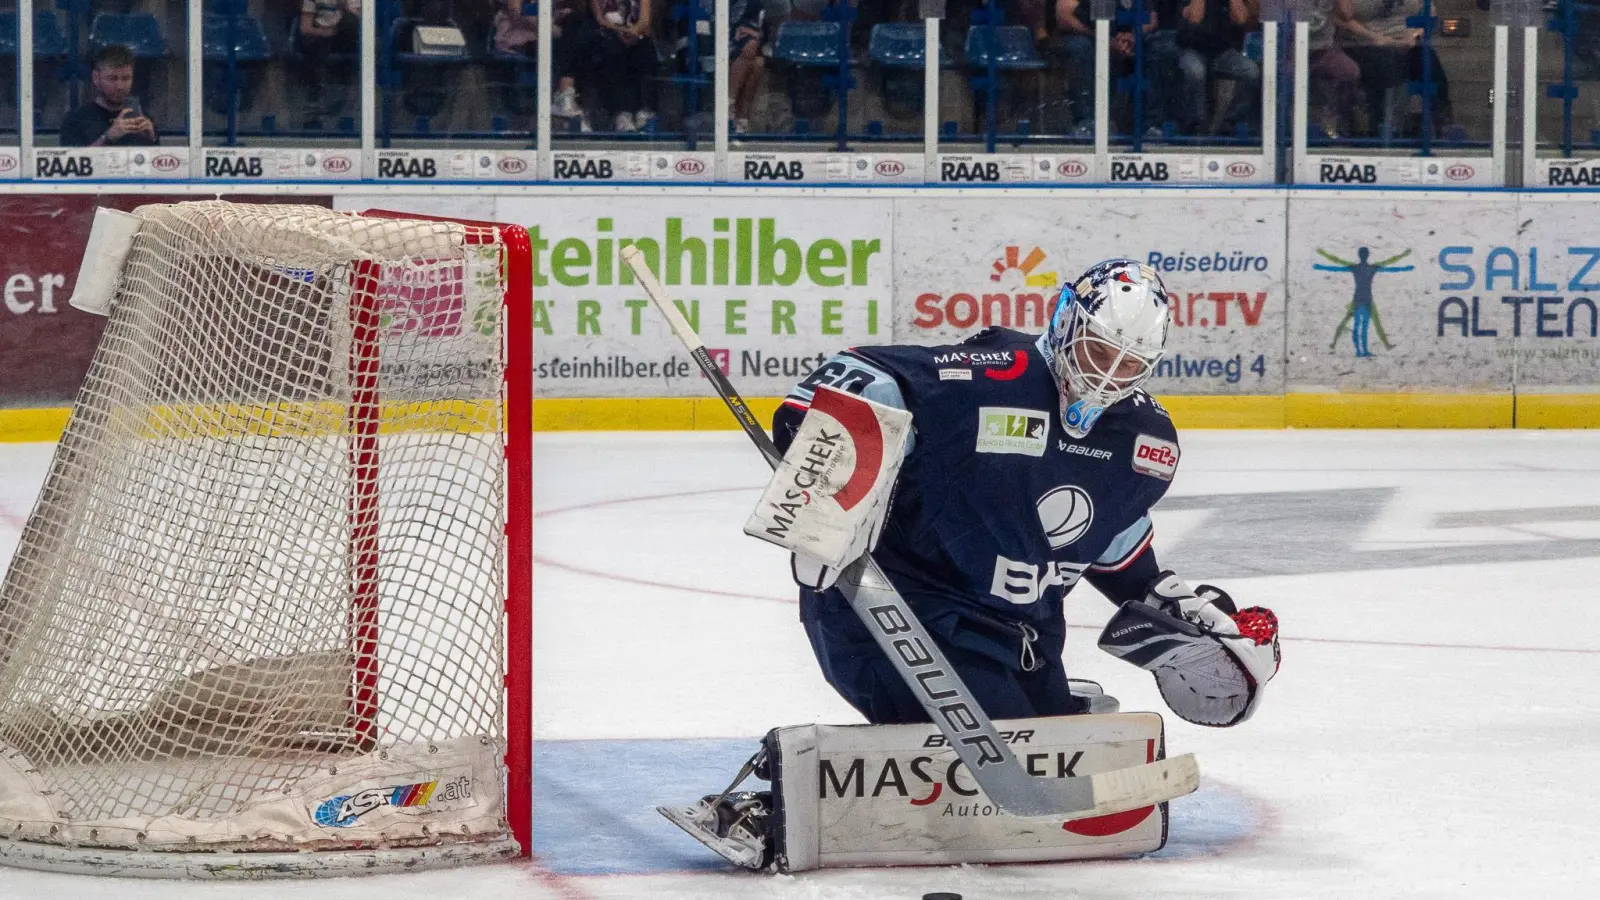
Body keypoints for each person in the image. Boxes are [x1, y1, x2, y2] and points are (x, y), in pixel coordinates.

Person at [660, 260, 1281, 869]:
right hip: (895, 611)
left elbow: (1115, 541)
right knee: (996, 767)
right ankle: (780, 802)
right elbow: (854, 373)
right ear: (1066, 321)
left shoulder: (1145, 442)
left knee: (1028, 756)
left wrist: (1178, 603)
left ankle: (1052, 704)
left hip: (1023, 637)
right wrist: (831, 470)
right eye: (1097, 351)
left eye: (1130, 365)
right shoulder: (995, 374)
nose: (1107, 376)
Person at [1337, 0, 1454, 138]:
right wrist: (1376, 38)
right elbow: (1343, 19)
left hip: (1409, 42)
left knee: (1429, 64)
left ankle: (1443, 124)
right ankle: (1389, 127)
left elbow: (1430, 15)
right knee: (1388, 66)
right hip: (1369, 42)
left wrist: (1415, 36)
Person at [494, 0, 598, 129]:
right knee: (573, 43)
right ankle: (564, 94)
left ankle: (580, 112)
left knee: (586, 37)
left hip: (551, 39)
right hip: (520, 40)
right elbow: (517, 13)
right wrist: (553, 28)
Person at [1175, 0, 1260, 135]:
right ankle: (1196, 125)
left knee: (1251, 71)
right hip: (1193, 48)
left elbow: (1241, 19)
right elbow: (1195, 18)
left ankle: (1230, 122)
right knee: (1195, 72)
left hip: (1222, 51)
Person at [60, 44, 157, 147]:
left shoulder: (143, 118)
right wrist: (107, 138)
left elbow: (157, 160)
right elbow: (73, 160)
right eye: (112, 78)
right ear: (96, 78)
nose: (119, 86)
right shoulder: (76, 121)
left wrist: (152, 139)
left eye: (126, 78)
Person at [591, 0, 658, 132]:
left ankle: (643, 111)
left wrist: (634, 32)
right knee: (614, 48)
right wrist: (621, 31)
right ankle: (623, 113)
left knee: (645, 48)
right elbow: (600, 19)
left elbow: (644, 20)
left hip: (633, 33)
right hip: (607, 32)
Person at [296, 0, 360, 129]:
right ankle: (313, 105)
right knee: (314, 48)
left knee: (350, 22)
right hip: (320, 36)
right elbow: (305, 28)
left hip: (345, 37)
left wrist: (346, 8)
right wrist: (326, 32)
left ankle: (344, 106)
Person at [728, 0, 766, 134]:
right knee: (751, 46)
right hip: (720, 39)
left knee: (759, 62)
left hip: (745, 42)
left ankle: (742, 118)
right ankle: (728, 102)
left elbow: (764, 31)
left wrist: (756, 35)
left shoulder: (757, 5)